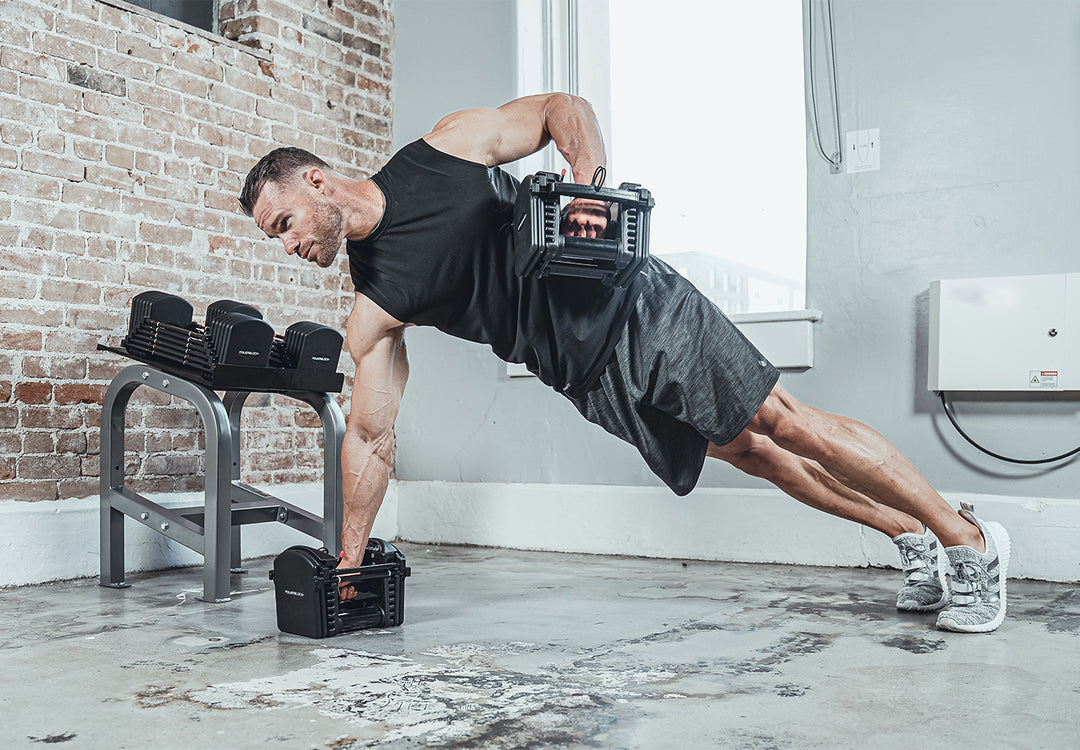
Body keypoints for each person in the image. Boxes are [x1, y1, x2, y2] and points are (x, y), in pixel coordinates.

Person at [238, 93, 1010, 633]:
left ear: (315, 182)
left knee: (785, 423)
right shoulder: (374, 304)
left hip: (634, 303)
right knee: (754, 455)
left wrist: (586, 181)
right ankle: (908, 534)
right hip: (587, 376)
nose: (289, 243)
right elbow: (370, 437)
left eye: (283, 223)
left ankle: (966, 542)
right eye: (276, 237)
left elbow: (557, 109)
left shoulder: (438, 153)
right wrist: (349, 560)